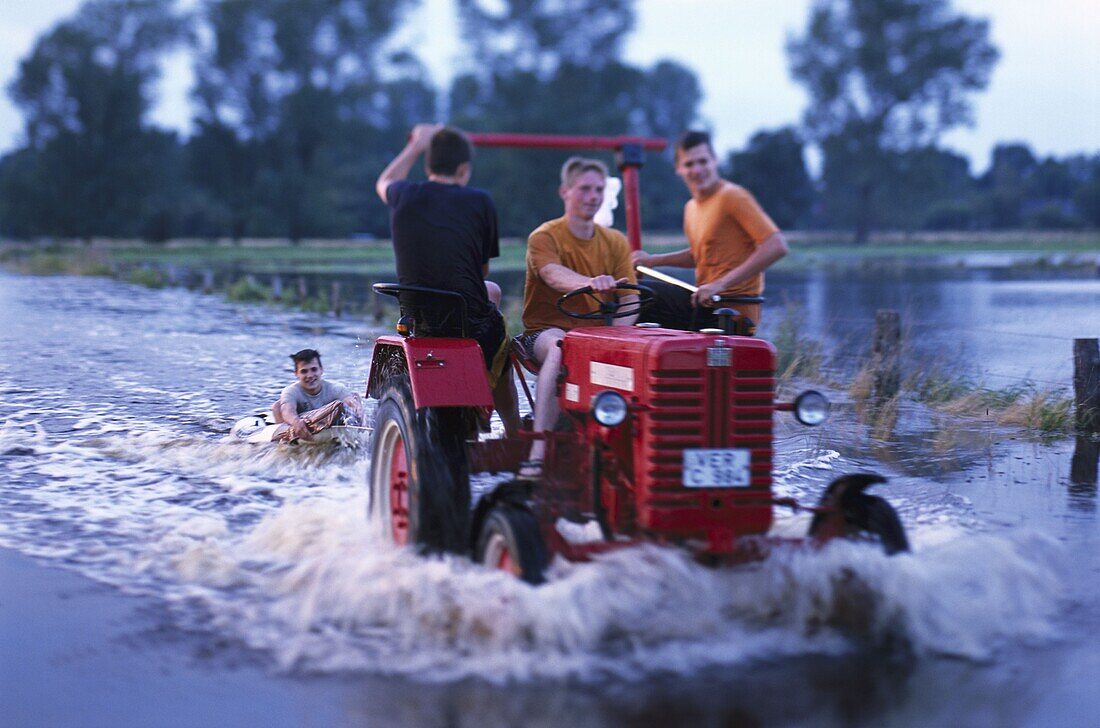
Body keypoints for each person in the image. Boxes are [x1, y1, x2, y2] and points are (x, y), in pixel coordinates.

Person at [375, 123, 519, 437]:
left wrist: (415, 145)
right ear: (464, 168)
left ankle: (465, 408)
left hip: (419, 320)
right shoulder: (480, 201)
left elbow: (384, 181)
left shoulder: (403, 194)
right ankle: (514, 432)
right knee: (503, 349)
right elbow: (481, 272)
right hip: (466, 322)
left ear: (428, 164)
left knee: (489, 293)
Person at [516, 156, 639, 476]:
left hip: (597, 336)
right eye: (584, 189)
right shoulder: (544, 237)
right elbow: (553, 275)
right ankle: (539, 451)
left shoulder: (615, 241)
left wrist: (620, 338)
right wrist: (588, 282)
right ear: (565, 192)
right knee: (561, 348)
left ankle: (633, 454)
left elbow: (629, 300)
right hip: (543, 334)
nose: (593, 196)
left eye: (598, 189)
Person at [632, 129, 788, 330]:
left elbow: (776, 246)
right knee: (630, 293)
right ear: (679, 169)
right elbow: (700, 255)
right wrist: (652, 261)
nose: (697, 170)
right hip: (704, 304)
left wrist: (719, 284)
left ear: (714, 161)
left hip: (733, 311)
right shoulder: (691, 208)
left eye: (703, 161)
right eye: (689, 164)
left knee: (641, 295)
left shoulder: (732, 197)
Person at [272, 349, 363, 441]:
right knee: (277, 406)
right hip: (301, 433)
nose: (310, 375)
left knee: (355, 397)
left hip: (330, 428)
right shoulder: (291, 391)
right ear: (296, 374)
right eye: (304, 371)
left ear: (321, 370)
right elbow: (287, 411)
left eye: (314, 369)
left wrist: (360, 412)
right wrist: (296, 422)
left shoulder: (336, 388)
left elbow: (350, 401)